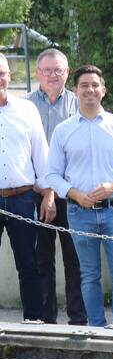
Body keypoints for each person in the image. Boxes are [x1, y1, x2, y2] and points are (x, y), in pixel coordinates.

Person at [46, 64, 113, 328]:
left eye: (95, 85)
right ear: (75, 90)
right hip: (80, 213)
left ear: (103, 90)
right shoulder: (63, 131)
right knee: (89, 276)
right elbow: (51, 175)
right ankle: (97, 329)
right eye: (84, 85)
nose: (90, 89)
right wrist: (74, 194)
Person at [24, 47, 87, 325]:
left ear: (67, 72)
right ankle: (46, 320)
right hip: (35, 193)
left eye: (58, 70)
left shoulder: (80, 103)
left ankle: (77, 320)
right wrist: (46, 190)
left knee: (75, 260)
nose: (53, 75)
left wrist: (57, 189)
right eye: (47, 70)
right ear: (37, 73)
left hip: (71, 194)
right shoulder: (24, 106)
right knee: (41, 259)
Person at [0, 53, 50, 323]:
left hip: (22, 197)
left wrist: (48, 193)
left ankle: (34, 322)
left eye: (1, 73)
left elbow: (41, 155)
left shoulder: (26, 110)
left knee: (29, 265)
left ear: (10, 75)